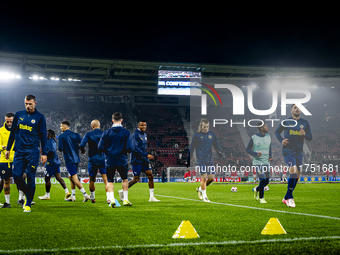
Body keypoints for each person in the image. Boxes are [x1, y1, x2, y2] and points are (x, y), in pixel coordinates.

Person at [6, 95, 48, 212]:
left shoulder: (40, 117)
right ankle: (30, 194)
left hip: (32, 152)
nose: (28, 106)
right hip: (19, 151)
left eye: (30, 104)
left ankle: (28, 203)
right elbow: (13, 133)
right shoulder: (19, 115)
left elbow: (43, 136)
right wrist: (8, 149)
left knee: (30, 177)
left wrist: (44, 153)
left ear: (35, 103)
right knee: (16, 176)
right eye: (26, 104)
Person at [275, 104, 312, 208]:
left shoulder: (305, 123)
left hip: (299, 152)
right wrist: (281, 140)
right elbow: (277, 132)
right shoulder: (286, 121)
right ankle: (290, 198)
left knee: (297, 176)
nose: (297, 109)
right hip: (288, 151)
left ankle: (285, 198)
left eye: (298, 107)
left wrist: (304, 134)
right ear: (291, 110)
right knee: (293, 171)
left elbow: (310, 137)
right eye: (295, 107)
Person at [118, 120, 160, 202]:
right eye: (142, 125)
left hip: (144, 160)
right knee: (136, 179)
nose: (144, 127)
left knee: (150, 175)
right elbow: (134, 148)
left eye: (145, 125)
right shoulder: (135, 135)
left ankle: (151, 197)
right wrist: (146, 155)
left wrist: (146, 156)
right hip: (136, 160)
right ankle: (122, 191)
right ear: (138, 126)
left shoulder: (145, 135)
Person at [98, 112, 132, 207]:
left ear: (112, 120)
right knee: (125, 180)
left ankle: (112, 199)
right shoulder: (126, 132)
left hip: (110, 159)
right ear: (121, 120)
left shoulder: (106, 132)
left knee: (110, 180)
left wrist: (108, 151)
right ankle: (125, 200)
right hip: (122, 159)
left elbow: (100, 147)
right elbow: (130, 148)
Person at [187, 118, 222, 202]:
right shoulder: (196, 135)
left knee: (212, 178)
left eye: (207, 127)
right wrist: (188, 159)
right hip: (201, 159)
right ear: (201, 126)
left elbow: (216, 145)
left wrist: (219, 152)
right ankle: (205, 197)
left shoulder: (211, 134)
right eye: (204, 127)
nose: (206, 128)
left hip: (209, 159)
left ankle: (199, 189)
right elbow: (191, 148)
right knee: (204, 178)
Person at [58, 120, 91, 202]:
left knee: (74, 177)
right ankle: (73, 196)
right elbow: (82, 143)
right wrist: (82, 149)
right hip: (76, 159)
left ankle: (85, 195)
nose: (60, 127)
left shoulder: (61, 136)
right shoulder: (76, 134)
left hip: (69, 159)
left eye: (61, 126)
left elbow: (60, 148)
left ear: (65, 127)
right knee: (70, 177)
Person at [79, 119, 108, 203]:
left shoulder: (88, 134)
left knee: (92, 180)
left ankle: (92, 198)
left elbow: (81, 145)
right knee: (106, 180)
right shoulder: (104, 134)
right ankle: (109, 198)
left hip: (92, 160)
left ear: (92, 126)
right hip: (103, 159)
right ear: (99, 125)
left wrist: (83, 150)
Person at [38, 129, 71, 200]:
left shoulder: (48, 141)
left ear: (48, 135)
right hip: (56, 162)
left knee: (47, 179)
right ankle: (67, 191)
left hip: (50, 163)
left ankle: (47, 195)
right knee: (58, 177)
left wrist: (45, 153)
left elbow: (52, 150)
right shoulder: (53, 141)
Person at [246, 123, 273, 203]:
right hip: (258, 162)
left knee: (267, 181)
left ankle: (256, 189)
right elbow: (248, 149)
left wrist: (270, 156)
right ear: (261, 128)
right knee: (263, 179)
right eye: (265, 126)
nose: (267, 127)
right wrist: (256, 154)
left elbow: (270, 148)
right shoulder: (254, 138)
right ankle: (261, 198)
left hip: (266, 162)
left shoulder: (268, 136)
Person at [0, 113, 15, 208]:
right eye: (7, 121)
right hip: (4, 160)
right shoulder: (0, 131)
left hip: (17, 159)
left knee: (21, 178)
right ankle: (7, 202)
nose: (9, 123)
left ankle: (21, 200)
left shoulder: (18, 130)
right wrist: (1, 147)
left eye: (11, 121)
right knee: (6, 180)